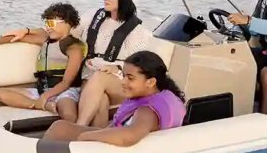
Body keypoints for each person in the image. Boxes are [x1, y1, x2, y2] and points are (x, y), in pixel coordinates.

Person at [44, 51, 185, 147]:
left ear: (151, 82)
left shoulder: (147, 112)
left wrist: (87, 136)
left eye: (130, 78)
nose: (123, 82)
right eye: (123, 76)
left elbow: (129, 137)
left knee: (59, 130)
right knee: (60, 127)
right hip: (117, 147)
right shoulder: (160, 96)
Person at [67, 0, 156, 127]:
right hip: (89, 78)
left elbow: (141, 66)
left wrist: (117, 68)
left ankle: (78, 128)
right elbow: (66, 32)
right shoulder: (92, 17)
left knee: (100, 77)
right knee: (101, 101)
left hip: (122, 82)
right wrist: (29, 32)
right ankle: (94, 137)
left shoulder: (138, 32)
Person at [0, 2, 86, 113]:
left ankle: (46, 106)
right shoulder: (45, 40)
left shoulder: (74, 48)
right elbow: (18, 38)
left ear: (68, 22)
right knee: (1, 93)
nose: (48, 27)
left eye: (51, 23)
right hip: (42, 91)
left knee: (66, 109)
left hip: (65, 91)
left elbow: (66, 82)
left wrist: (45, 96)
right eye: (46, 23)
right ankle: (40, 105)